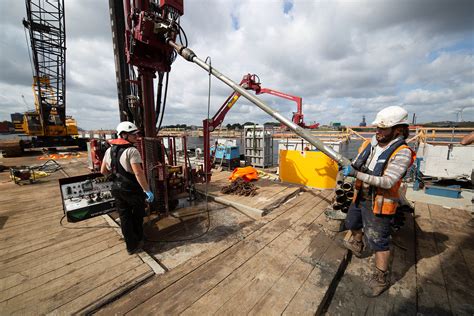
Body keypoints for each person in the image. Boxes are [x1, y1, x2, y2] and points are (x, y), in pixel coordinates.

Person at [341, 106, 416, 297]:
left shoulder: (403, 152)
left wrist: (356, 174)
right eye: (377, 128)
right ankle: (358, 243)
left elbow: (387, 181)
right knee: (351, 223)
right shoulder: (370, 144)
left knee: (378, 241)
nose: (378, 132)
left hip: (381, 201)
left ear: (398, 129)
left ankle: (381, 278)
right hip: (361, 195)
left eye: (383, 128)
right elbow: (357, 162)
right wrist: (347, 167)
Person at [101, 121, 154, 254]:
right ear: (124, 135)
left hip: (116, 189)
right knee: (137, 215)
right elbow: (138, 173)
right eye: (133, 135)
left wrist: (115, 176)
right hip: (131, 189)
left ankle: (131, 246)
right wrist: (147, 190)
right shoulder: (132, 151)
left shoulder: (109, 150)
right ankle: (139, 239)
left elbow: (103, 170)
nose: (136, 137)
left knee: (124, 217)